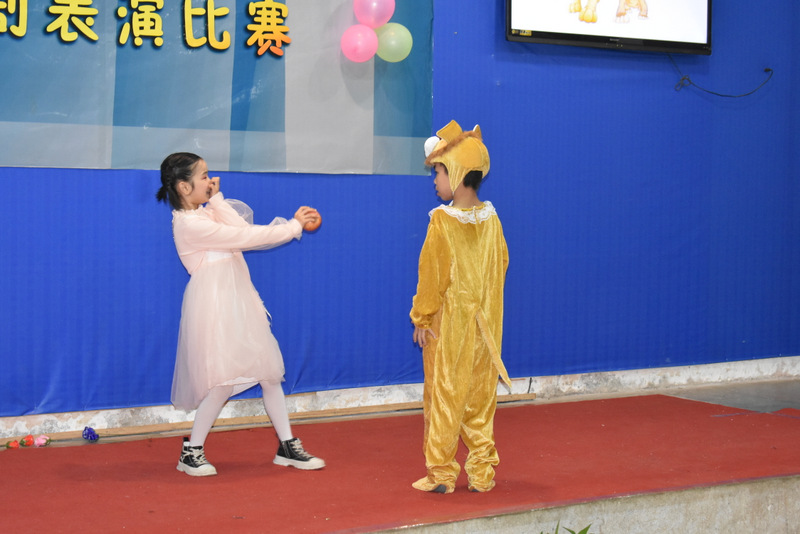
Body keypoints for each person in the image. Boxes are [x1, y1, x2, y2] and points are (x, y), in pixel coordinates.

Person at [156, 152, 324, 477]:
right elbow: (247, 238)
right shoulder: (190, 225)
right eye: (204, 176)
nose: (211, 180)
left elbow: (239, 227)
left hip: (240, 299)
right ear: (184, 187)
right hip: (216, 306)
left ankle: (287, 445)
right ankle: (191, 451)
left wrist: (217, 199)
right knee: (223, 383)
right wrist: (293, 226)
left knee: (269, 374)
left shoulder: (206, 213)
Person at [410, 120, 512, 493]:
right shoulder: (492, 221)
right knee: (480, 399)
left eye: (438, 171)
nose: (435, 179)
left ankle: (441, 473)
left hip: (449, 328)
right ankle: (482, 473)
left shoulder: (442, 222)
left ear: (455, 172)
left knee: (444, 395)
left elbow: (432, 276)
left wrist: (422, 317)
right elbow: (502, 265)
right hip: (486, 330)